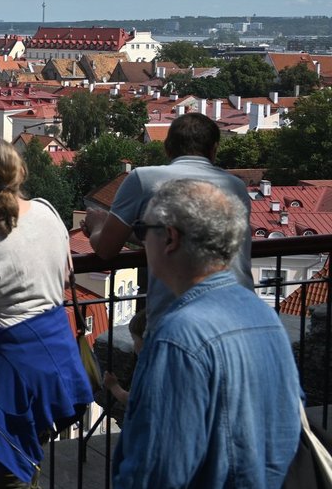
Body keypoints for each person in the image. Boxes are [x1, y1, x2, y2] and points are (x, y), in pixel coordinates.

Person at [112, 179, 301, 488]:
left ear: (170, 238)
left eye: (143, 231)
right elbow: (286, 428)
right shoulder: (264, 316)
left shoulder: (180, 336)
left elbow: (157, 473)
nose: (141, 242)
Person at [0, 137, 93, 488]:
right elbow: (65, 275)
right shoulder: (49, 212)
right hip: (56, 362)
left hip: (14, 377)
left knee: (10, 475)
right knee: (35, 453)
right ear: (20, 172)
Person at [84, 112, 252, 332]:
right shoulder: (236, 187)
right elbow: (190, 238)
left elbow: (106, 250)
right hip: (241, 314)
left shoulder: (143, 179)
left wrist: (98, 224)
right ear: (214, 150)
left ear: (167, 148)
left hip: (180, 321)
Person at [101, 309, 146, 407]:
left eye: (135, 340)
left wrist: (114, 386)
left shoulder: (150, 371)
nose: (134, 346)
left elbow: (133, 401)